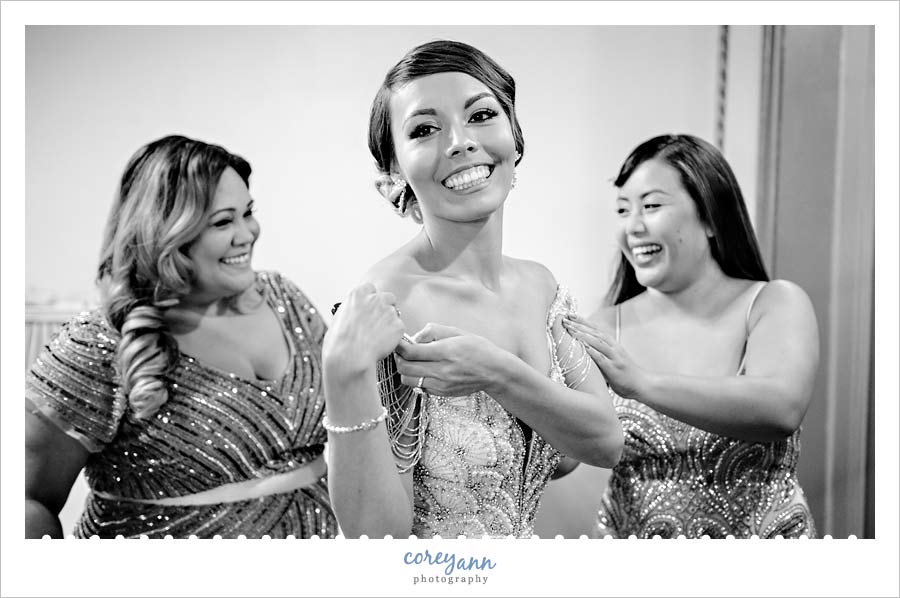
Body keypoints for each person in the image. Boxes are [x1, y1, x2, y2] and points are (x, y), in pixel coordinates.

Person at [321, 40, 624, 539]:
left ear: (514, 135)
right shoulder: (389, 306)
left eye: (481, 115)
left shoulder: (541, 287)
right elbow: (377, 538)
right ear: (397, 169)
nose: (460, 142)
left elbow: (604, 443)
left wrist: (496, 373)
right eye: (424, 129)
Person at [25, 135, 337, 538]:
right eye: (223, 221)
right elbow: (28, 503)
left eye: (248, 212)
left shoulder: (285, 299)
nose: (247, 233)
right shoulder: (99, 342)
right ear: (167, 232)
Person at [562, 134, 818, 538]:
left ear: (711, 218)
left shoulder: (773, 303)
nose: (633, 226)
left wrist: (641, 384)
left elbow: (780, 408)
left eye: (651, 206)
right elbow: (564, 458)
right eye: (623, 210)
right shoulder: (602, 327)